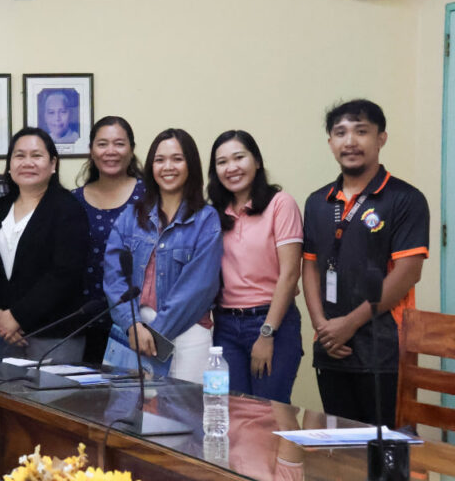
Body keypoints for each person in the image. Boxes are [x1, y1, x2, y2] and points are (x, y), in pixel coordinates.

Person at [302, 99, 428, 427]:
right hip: (331, 348)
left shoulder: (405, 198)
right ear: (330, 142)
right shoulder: (317, 202)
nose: (350, 141)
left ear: (381, 138)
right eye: (340, 133)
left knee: (391, 450)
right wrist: (321, 325)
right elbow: (310, 267)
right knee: (340, 451)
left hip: (386, 351)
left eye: (361, 131)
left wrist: (349, 324)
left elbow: (408, 272)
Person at [103, 128, 222, 384]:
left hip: (187, 332)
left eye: (177, 159)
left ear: (191, 165)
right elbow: (114, 277)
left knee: (184, 409)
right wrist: (133, 325)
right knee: (127, 408)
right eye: (160, 160)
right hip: (134, 330)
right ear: (151, 167)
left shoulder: (206, 219)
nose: (168, 167)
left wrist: (154, 333)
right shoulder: (131, 216)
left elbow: (199, 288)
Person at [0, 127, 89, 362]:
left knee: (49, 388)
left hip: (52, 333)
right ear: (10, 165)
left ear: (53, 163)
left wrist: (17, 317)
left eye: (36, 155)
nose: (27, 163)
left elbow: (64, 274)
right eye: (19, 155)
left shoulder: (68, 209)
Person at [208, 130, 304, 403]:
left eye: (239, 157)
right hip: (226, 326)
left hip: (271, 322)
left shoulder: (280, 204)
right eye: (222, 162)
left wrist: (267, 333)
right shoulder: (214, 213)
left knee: (268, 413)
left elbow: (290, 274)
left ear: (257, 161)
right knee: (234, 413)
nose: (231, 168)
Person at [71, 116, 145, 364]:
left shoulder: (149, 197)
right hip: (83, 322)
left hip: (137, 322)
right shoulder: (73, 200)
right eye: (102, 144)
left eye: (119, 144)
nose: (110, 151)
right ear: (91, 150)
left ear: (131, 149)